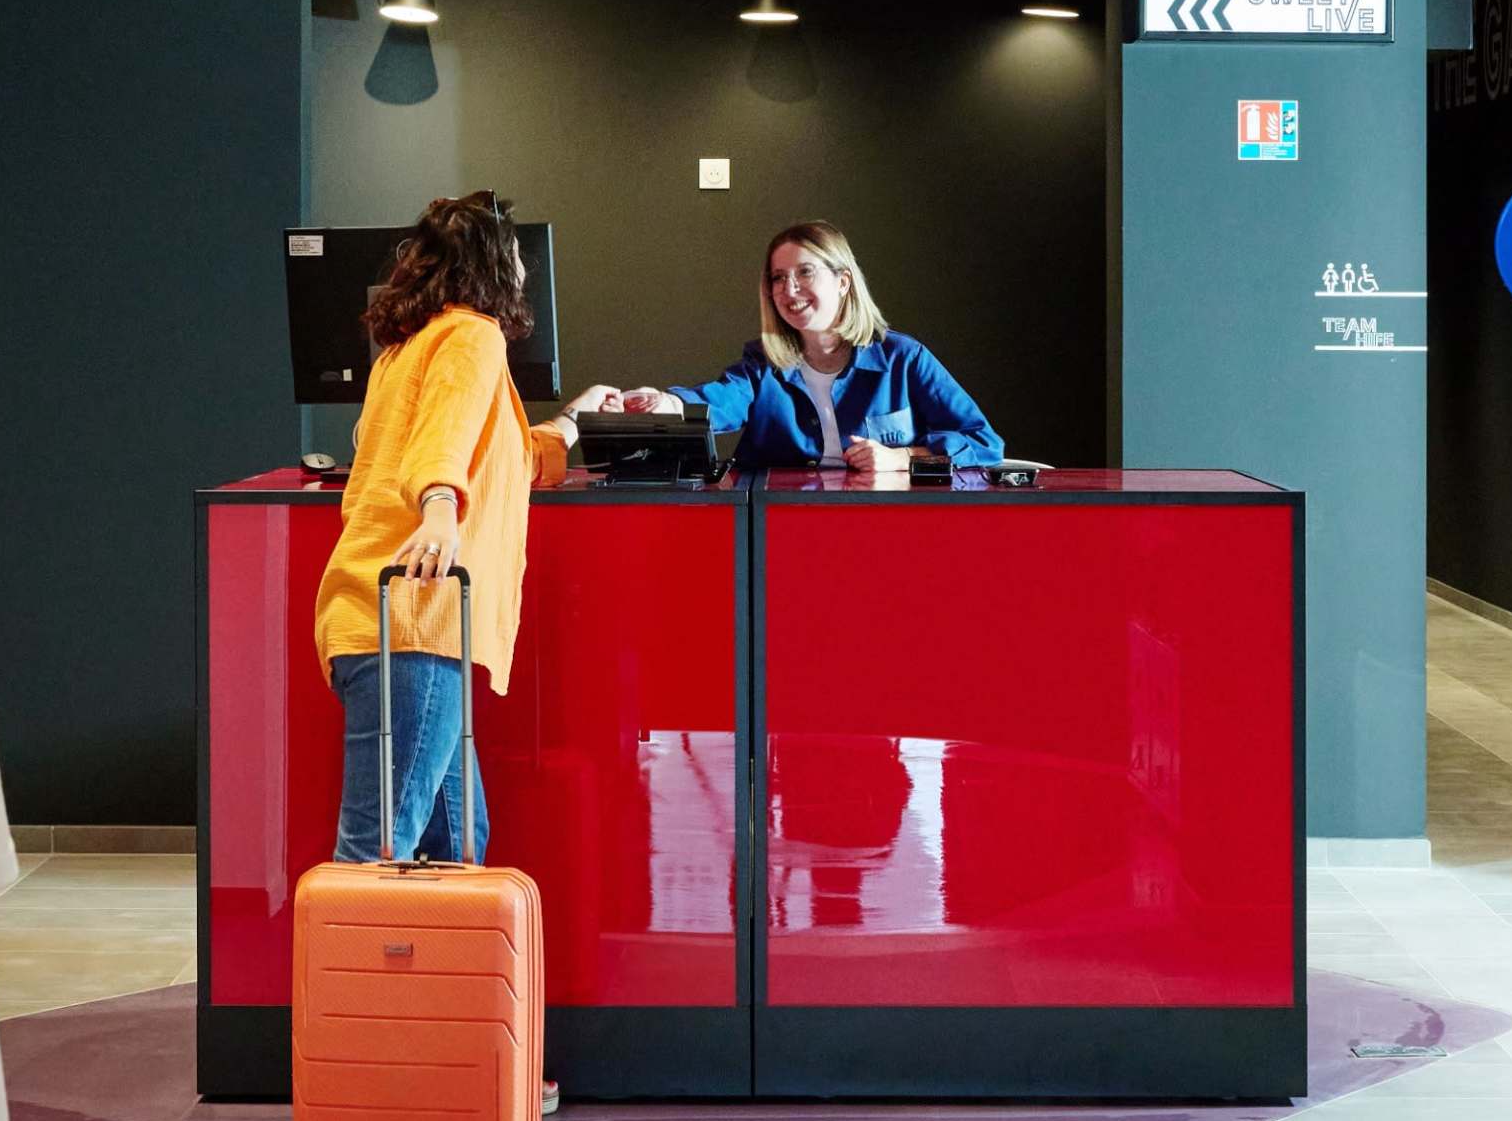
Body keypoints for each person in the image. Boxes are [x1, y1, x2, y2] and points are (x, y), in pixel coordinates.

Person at [314, 192, 577, 867]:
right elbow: (442, 447)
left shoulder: (404, 350)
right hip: (418, 618)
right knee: (377, 850)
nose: (525, 271)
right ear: (496, 263)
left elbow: (492, 454)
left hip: (381, 618)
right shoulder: (472, 335)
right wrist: (439, 507)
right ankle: (353, 946)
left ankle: (440, 946)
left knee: (456, 844)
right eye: (517, 255)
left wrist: (571, 425)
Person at [580, 220, 1002, 470]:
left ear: (843, 281)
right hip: (782, 531)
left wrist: (903, 457)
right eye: (778, 278)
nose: (789, 289)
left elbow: (985, 443)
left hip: (883, 530)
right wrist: (667, 403)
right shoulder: (761, 363)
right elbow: (721, 401)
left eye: (805, 272)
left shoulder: (904, 358)